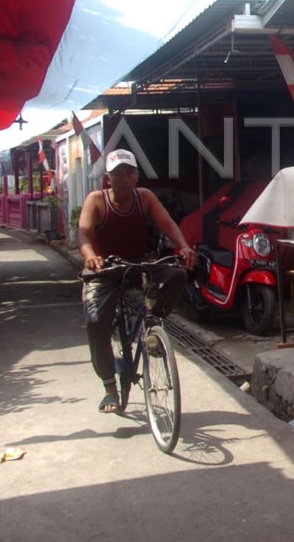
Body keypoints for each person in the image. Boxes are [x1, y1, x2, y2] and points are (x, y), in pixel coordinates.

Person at [78, 148, 197, 413]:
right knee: (96, 322)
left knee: (177, 274)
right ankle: (110, 387)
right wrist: (91, 257)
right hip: (106, 268)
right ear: (108, 178)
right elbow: (84, 235)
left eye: (129, 173)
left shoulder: (144, 197)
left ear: (137, 176)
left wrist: (184, 247)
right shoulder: (96, 200)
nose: (124, 179)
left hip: (139, 262)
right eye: (117, 174)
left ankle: (153, 320)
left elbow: (167, 224)